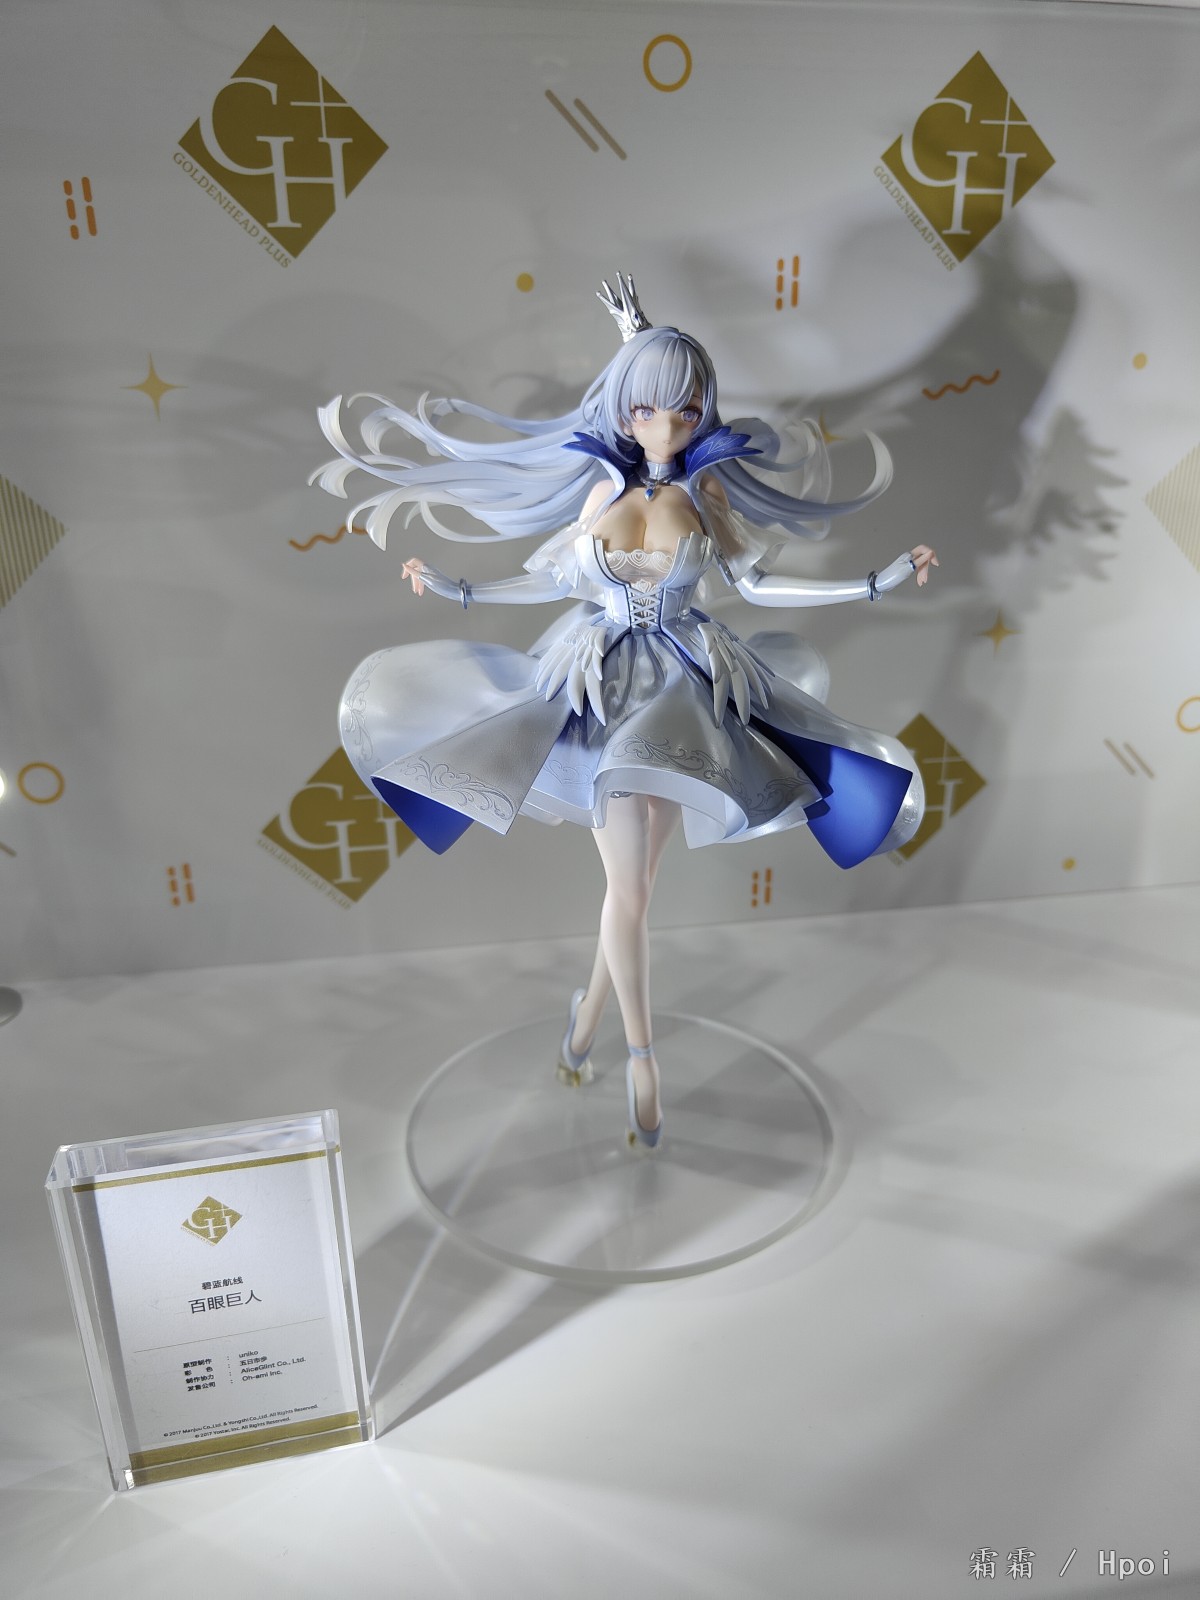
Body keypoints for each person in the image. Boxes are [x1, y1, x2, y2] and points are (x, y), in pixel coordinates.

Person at [314, 275, 937, 1149]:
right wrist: (459, 589)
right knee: (630, 893)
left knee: (634, 892)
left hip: (686, 691)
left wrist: (871, 584)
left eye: (683, 410)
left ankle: (585, 1024)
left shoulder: (706, 496)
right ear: (623, 410)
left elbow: (757, 581)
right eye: (647, 409)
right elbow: (547, 579)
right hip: (599, 692)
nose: (665, 427)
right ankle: (642, 1058)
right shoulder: (601, 493)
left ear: (701, 412)